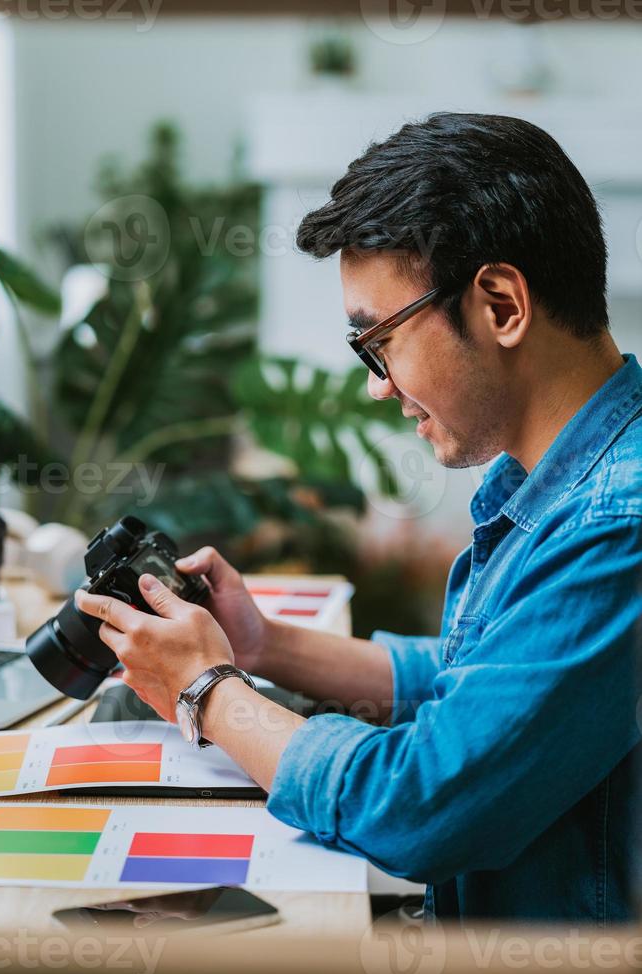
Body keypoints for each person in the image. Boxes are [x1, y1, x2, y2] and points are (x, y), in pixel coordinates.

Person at [77, 112, 642, 924]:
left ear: (501, 304)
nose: (378, 385)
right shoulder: (561, 479)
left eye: (377, 340)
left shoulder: (616, 525)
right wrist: (266, 647)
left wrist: (209, 691)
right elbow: (474, 680)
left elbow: (424, 805)